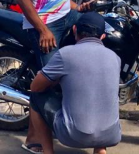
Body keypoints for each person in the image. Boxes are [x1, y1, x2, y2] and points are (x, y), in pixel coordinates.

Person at [25, 11, 121, 154]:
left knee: (36, 96)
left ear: (75, 30)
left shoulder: (65, 54)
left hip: (73, 136)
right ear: (102, 36)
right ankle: (100, 149)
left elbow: (35, 87)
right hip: (112, 135)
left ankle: (48, 152)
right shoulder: (115, 58)